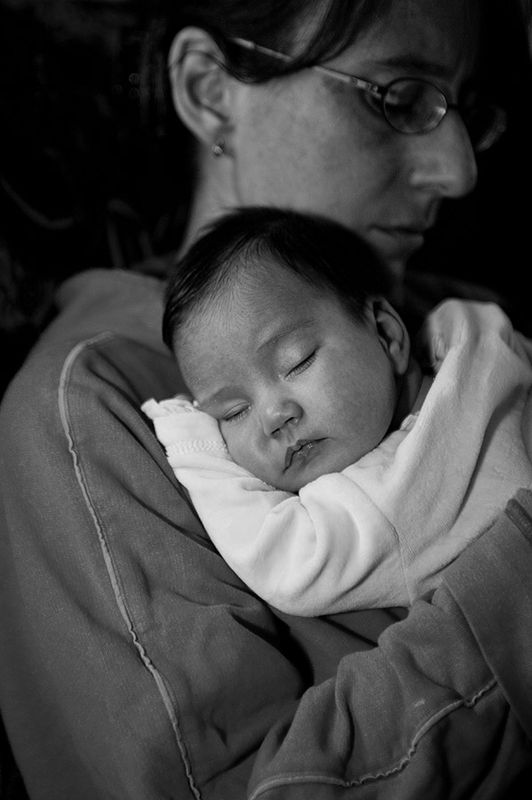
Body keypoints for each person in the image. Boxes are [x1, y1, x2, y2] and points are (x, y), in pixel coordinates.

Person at [1, 1, 532, 798]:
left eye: (467, 112)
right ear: (210, 90)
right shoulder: (94, 410)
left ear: (386, 334)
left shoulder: (468, 322)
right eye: (397, 97)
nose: (458, 171)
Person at [143, 206, 532, 615]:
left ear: (387, 334)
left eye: (298, 362)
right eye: (233, 412)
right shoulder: (479, 343)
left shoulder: (390, 497)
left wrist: (193, 444)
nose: (275, 416)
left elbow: (290, 564)